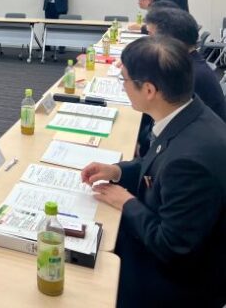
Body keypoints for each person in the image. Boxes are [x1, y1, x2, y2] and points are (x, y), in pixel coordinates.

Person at [81, 36, 226, 308]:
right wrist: (117, 170)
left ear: (148, 90)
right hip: (173, 248)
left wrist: (127, 202)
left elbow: (171, 247)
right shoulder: (189, 113)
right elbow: (157, 164)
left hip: (177, 282)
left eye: (124, 79)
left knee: (83, 271)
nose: (122, 86)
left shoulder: (190, 162)